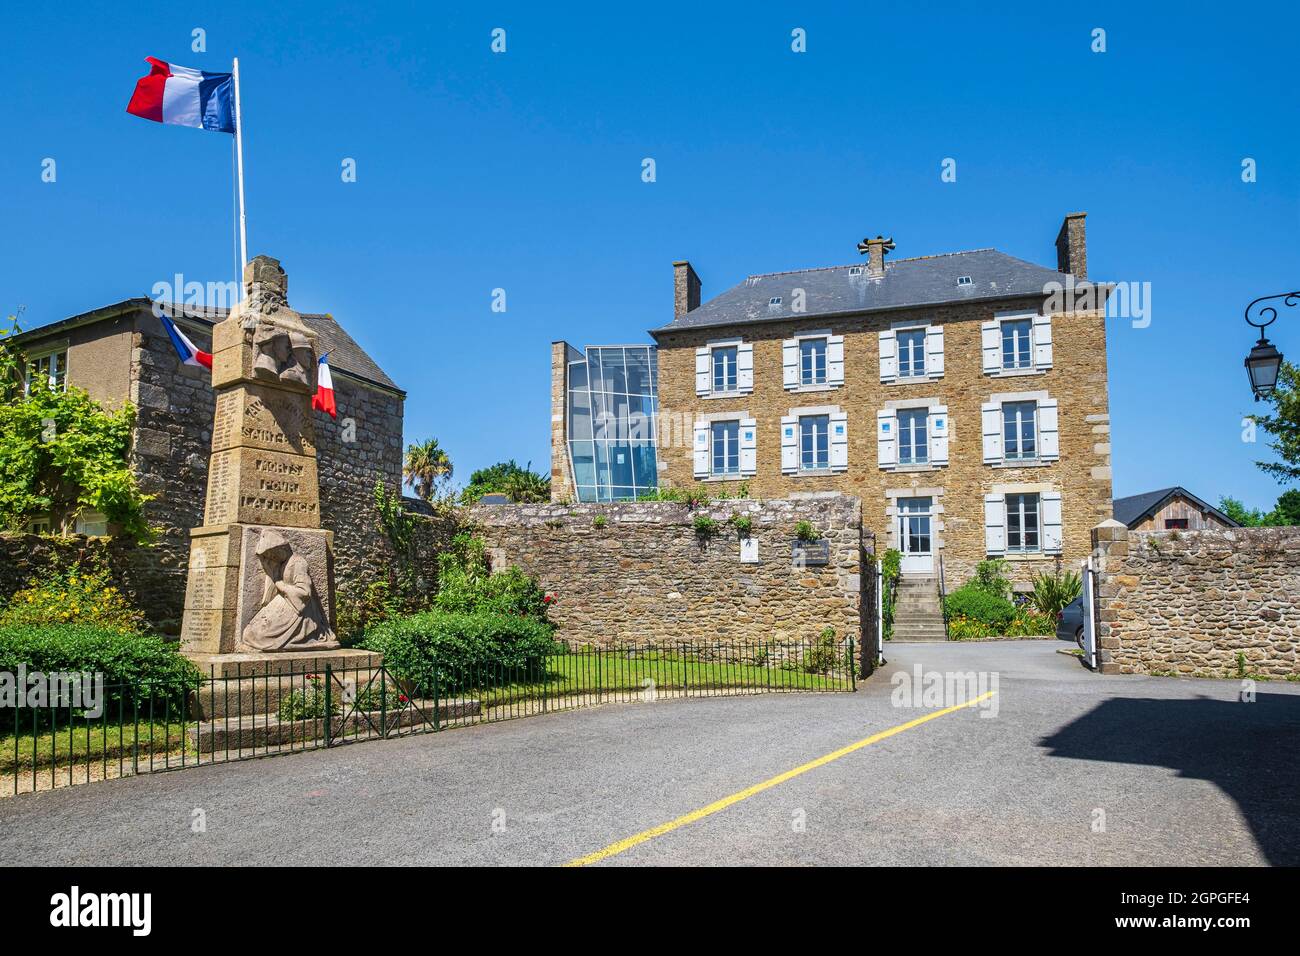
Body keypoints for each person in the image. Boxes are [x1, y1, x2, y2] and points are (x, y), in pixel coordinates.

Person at [239, 531, 338, 652]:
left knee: (259, 636)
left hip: (298, 610)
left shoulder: (298, 563)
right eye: (270, 556)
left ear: (282, 549)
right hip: (283, 603)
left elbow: (304, 592)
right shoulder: (283, 563)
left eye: (273, 554)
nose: (272, 558)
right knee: (249, 632)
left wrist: (280, 585)